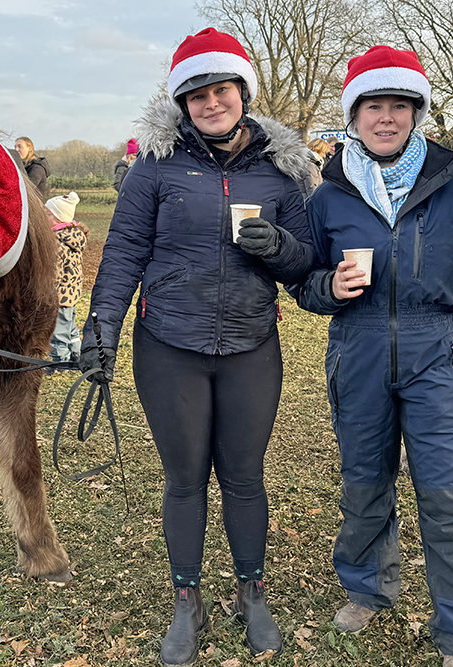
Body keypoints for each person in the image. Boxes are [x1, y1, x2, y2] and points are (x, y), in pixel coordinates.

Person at [79, 27, 313, 666]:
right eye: (198, 95)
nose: (212, 104)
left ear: (243, 91)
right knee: (185, 480)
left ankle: (251, 591)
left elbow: (306, 259)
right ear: (183, 103)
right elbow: (124, 249)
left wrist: (283, 250)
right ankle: (187, 599)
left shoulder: (281, 172)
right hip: (169, 346)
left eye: (222, 90)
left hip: (250, 347)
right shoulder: (154, 169)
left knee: (243, 477)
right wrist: (101, 326)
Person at [289, 46, 453, 667]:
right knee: (364, 484)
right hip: (356, 351)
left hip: (436, 352)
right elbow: (304, 278)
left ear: (415, 113)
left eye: (398, 106)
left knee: (448, 494)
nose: (385, 118)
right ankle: (367, 587)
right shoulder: (328, 197)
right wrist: (327, 289)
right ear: (353, 116)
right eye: (372, 106)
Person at [44, 192, 89, 369]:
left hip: (61, 295)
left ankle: (60, 362)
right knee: (71, 328)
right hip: (73, 292)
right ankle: (77, 356)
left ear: (57, 219)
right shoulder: (74, 238)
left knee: (59, 330)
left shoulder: (57, 243)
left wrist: (47, 291)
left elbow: (55, 273)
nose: (44, 217)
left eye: (47, 214)